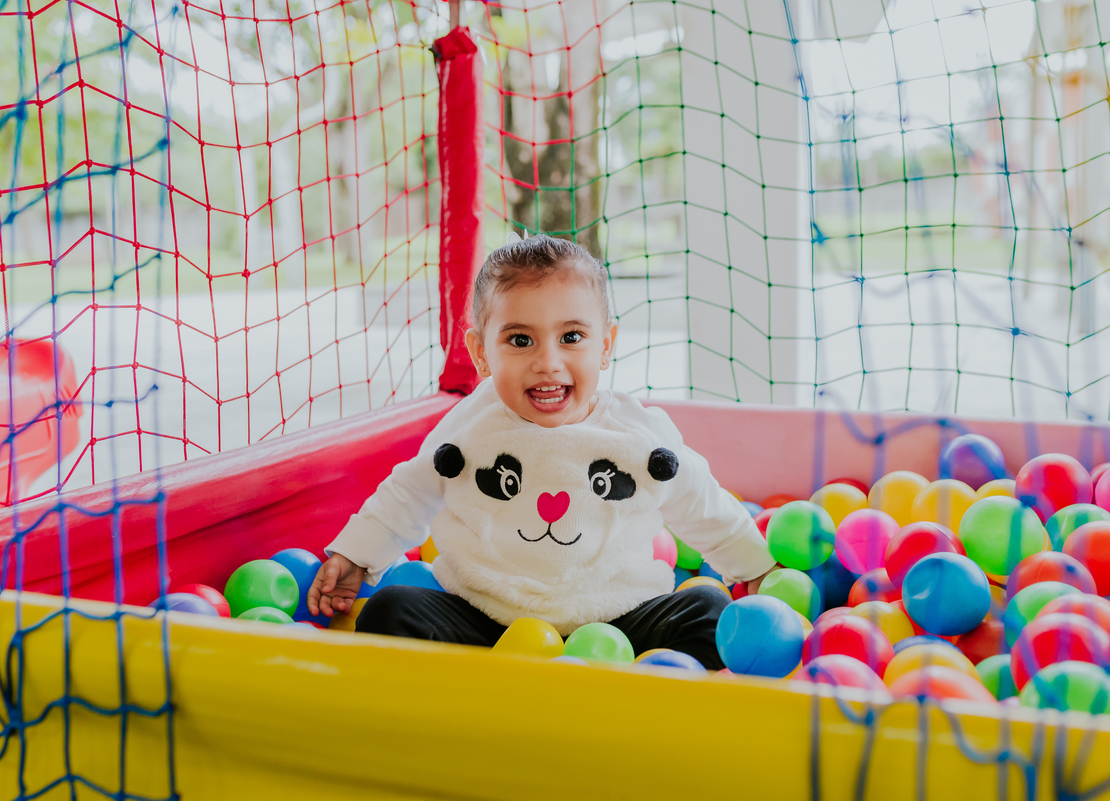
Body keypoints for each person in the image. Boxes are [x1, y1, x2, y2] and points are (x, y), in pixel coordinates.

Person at [307, 234, 777, 668]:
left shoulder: (637, 433)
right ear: (481, 353)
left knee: (709, 610)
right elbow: (410, 492)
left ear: (606, 345)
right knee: (392, 610)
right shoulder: (471, 426)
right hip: (488, 623)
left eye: (571, 338)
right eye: (520, 340)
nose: (547, 363)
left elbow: (700, 500)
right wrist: (355, 555)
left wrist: (756, 566)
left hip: (616, 623)